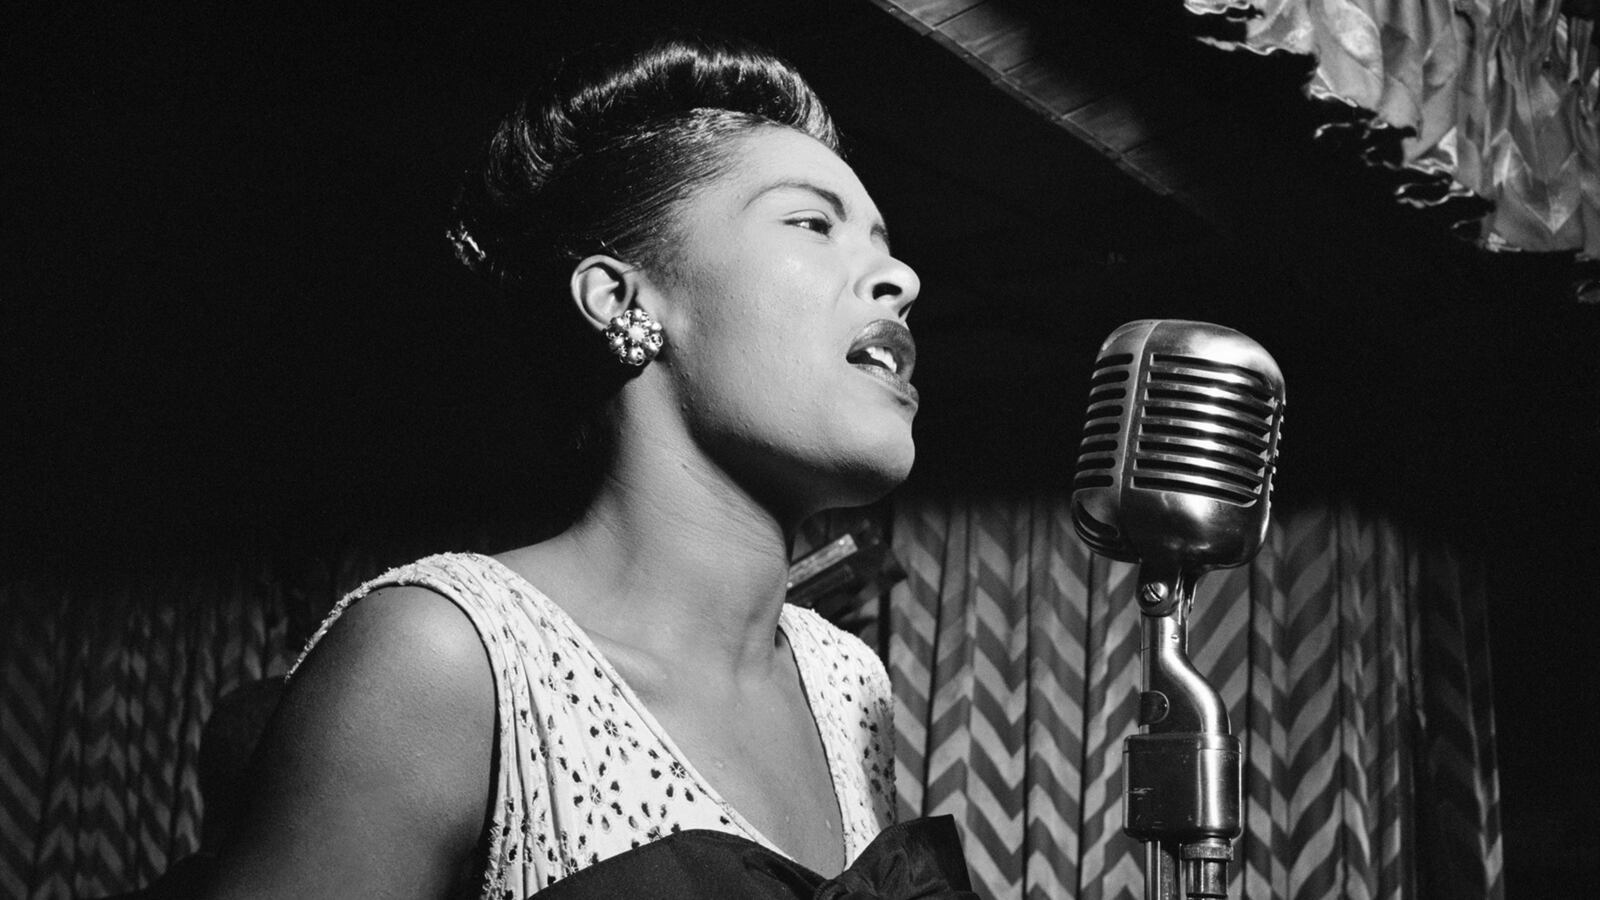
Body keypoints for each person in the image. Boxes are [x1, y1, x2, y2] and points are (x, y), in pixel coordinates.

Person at [202, 35, 971, 899]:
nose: (899, 277)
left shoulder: (846, 683)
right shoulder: (449, 658)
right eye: (812, 223)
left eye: (883, 242)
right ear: (623, 298)